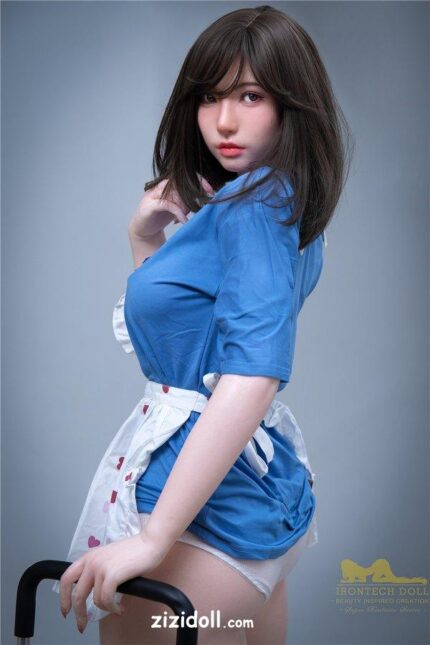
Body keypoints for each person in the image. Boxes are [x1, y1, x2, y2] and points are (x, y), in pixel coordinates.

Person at [54, 4, 353, 644]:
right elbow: (190, 338)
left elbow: (250, 376)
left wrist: (154, 538)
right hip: (246, 491)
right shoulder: (277, 202)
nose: (224, 122)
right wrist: (146, 242)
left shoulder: (255, 207)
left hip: (209, 509)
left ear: (293, 105)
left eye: (251, 96)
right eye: (210, 96)